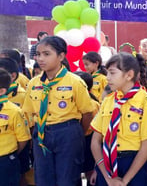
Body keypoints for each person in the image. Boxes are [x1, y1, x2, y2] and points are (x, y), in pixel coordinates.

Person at [22, 36, 95, 186]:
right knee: (43, 179)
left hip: (67, 133)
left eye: (47, 54)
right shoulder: (33, 83)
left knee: (67, 179)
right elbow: (29, 112)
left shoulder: (75, 82)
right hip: (41, 133)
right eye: (38, 54)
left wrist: (76, 134)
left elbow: (87, 113)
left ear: (61, 56)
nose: (41, 58)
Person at [90, 52, 147, 186]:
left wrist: (124, 181)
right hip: (107, 166)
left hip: (134, 166)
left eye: (112, 73)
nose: (108, 78)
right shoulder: (108, 101)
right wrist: (106, 176)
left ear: (129, 75)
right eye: (107, 73)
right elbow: (95, 141)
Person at [0, 68, 31, 186]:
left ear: (2, 91)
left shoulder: (14, 111)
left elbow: (23, 139)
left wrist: (10, 154)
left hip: (6, 161)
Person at [73, 71, 100, 186]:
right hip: (84, 138)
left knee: (84, 169)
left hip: (86, 139)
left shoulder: (92, 104)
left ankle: (85, 184)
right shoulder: (94, 103)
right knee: (84, 168)